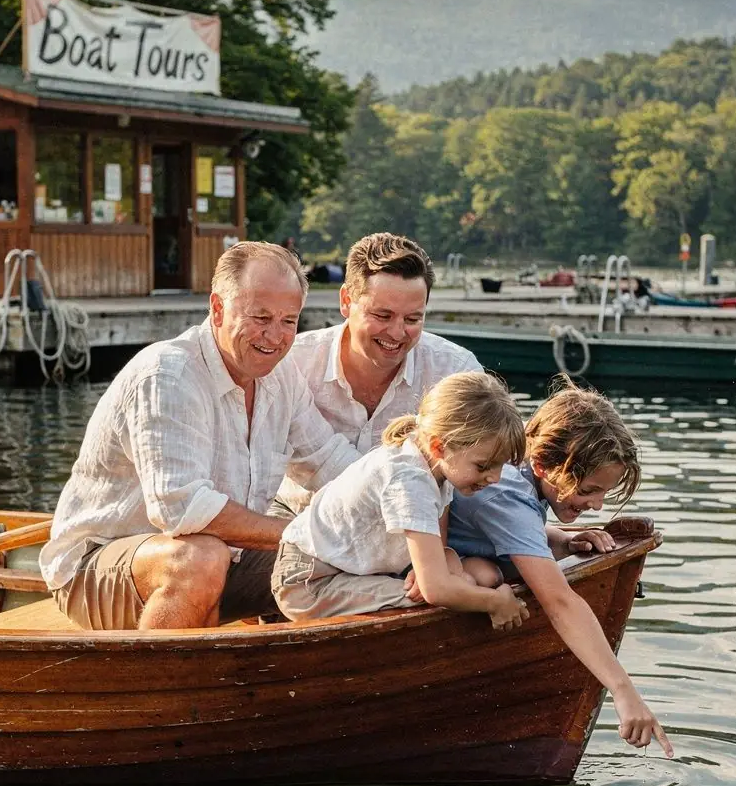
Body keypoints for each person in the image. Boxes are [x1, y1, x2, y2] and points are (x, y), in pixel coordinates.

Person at [39, 242, 359, 631]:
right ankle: (153, 687)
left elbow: (329, 461)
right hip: (95, 569)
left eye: (288, 321)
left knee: (345, 558)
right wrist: (302, 532)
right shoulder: (169, 375)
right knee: (200, 557)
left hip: (224, 559)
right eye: (260, 317)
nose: (274, 336)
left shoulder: (282, 375)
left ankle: (274, 673)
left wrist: (401, 493)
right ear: (218, 308)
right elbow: (182, 509)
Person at [446, 379, 674, 757]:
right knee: (485, 575)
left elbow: (513, 520)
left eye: (604, 492)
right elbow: (559, 602)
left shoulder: (516, 470)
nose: (598, 505)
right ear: (542, 464)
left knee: (488, 571)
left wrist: (562, 539)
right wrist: (623, 690)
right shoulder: (503, 494)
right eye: (587, 491)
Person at [271, 370, 530, 628]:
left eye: (500, 466)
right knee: (449, 595)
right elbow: (436, 589)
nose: (494, 478)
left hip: (349, 570)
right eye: (483, 466)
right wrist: (495, 602)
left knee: (467, 580)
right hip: (310, 582)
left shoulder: (438, 467)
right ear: (440, 447)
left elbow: (436, 553)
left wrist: (447, 571)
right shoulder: (409, 479)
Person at [280, 232, 483, 509]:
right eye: (382, 315)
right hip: (299, 518)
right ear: (346, 301)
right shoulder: (293, 363)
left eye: (413, 318)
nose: (397, 333)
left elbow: (488, 473)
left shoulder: (456, 372)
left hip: (416, 530)